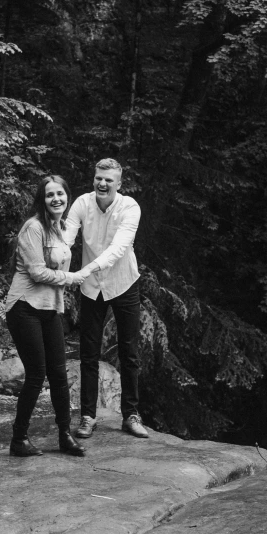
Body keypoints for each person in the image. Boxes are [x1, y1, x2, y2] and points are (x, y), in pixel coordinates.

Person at [5, 175, 91, 458]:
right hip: (24, 307)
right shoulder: (33, 227)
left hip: (50, 309)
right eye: (50, 195)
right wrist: (72, 277)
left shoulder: (60, 228)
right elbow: (37, 271)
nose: (56, 199)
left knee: (59, 374)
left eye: (61, 194)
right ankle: (19, 439)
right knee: (36, 374)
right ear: (42, 200)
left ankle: (65, 435)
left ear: (67, 197)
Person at [65, 158, 149, 439]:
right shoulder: (81, 204)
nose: (102, 183)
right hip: (91, 288)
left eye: (108, 180)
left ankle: (131, 415)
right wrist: (58, 263)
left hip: (124, 283)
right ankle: (87, 416)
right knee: (88, 353)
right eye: (99, 178)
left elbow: (118, 248)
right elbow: (67, 237)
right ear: (94, 179)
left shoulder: (130, 208)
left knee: (129, 351)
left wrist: (84, 269)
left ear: (119, 184)